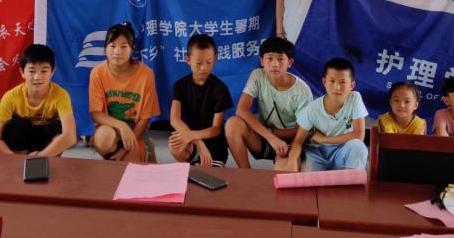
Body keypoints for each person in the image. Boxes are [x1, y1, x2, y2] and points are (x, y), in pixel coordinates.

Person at [224, 37, 313, 170]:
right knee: (232, 124)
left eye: (280, 59)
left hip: (292, 141)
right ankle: (246, 174)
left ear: (290, 62)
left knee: (285, 175)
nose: (275, 64)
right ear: (262, 61)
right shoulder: (258, 75)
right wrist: (271, 137)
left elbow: (301, 131)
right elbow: (241, 110)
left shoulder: (302, 90)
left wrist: (275, 135)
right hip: (266, 136)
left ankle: (292, 163)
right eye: (269, 58)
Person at [89, 23, 159, 162]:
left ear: (132, 49)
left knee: (130, 166)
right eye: (113, 46)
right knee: (103, 139)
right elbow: (96, 113)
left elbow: (145, 118)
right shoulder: (97, 72)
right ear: (105, 48)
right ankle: (112, 154)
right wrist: (121, 126)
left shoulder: (146, 74)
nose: (117, 51)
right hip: (111, 127)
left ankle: (146, 146)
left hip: (136, 129)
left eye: (124, 46)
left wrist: (124, 150)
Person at [0, 44, 77, 156]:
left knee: (58, 127)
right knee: (18, 125)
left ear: (52, 72)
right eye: (32, 71)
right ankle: (21, 158)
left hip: (45, 147)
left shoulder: (61, 95)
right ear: (22, 72)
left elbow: (71, 137)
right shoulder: (10, 96)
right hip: (20, 147)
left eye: (44, 71)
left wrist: (39, 157)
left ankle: (46, 160)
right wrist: (16, 159)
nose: (37, 77)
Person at [286, 57, 368, 172]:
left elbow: (359, 135)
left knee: (358, 147)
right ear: (324, 82)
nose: (337, 87)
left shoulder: (355, 98)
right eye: (332, 81)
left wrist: (324, 139)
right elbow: (298, 141)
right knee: (309, 179)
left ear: (352, 85)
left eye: (343, 82)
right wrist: (291, 162)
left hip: (342, 150)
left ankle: (350, 181)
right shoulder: (312, 108)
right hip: (317, 153)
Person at [168, 34, 234, 168]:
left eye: (209, 62)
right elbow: (174, 119)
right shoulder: (179, 85)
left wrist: (192, 136)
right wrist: (198, 142)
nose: (204, 68)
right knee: (174, 144)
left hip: (214, 148)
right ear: (188, 60)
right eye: (198, 63)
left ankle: (200, 164)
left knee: (208, 177)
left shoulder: (220, 89)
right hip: (192, 142)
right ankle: (191, 162)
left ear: (215, 58)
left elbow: (216, 129)